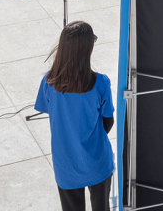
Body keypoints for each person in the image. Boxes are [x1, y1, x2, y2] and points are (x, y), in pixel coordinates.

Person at [35, 22, 116, 211]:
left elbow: (50, 112)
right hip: (97, 162)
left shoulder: (48, 82)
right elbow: (108, 121)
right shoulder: (101, 83)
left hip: (66, 165)